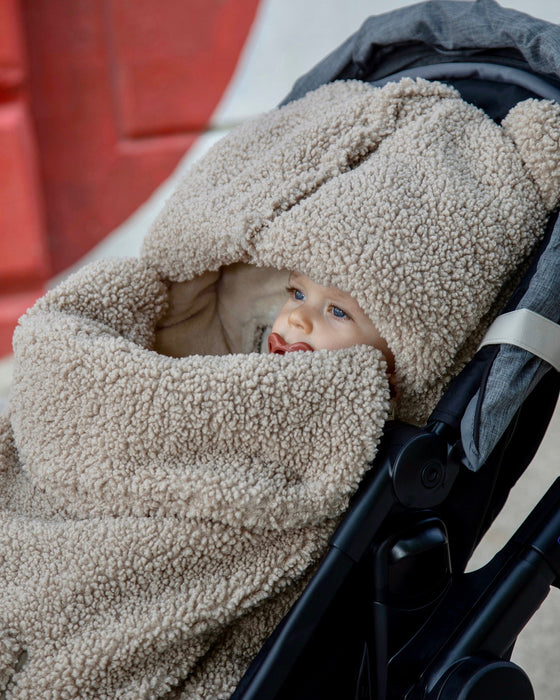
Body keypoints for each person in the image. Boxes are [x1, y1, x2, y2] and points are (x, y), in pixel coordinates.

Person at [1, 77, 560, 699]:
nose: (296, 320)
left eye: (338, 313)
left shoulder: (333, 421)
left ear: (404, 344)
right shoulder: (229, 361)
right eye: (297, 294)